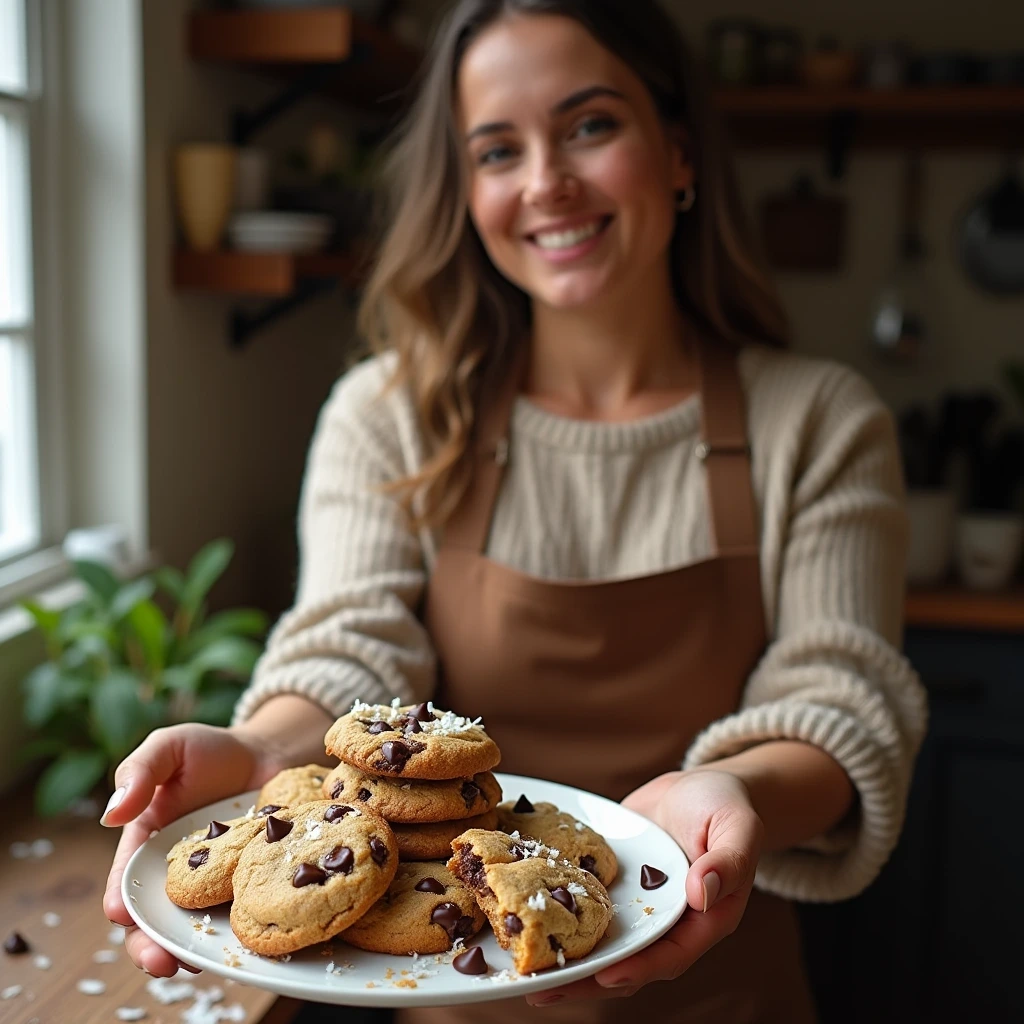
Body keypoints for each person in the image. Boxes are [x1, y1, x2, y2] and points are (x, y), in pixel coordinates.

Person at [102, 1, 928, 1020]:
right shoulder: (391, 414)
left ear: (676, 152)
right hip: (455, 994)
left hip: (727, 987)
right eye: (498, 149)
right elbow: (353, 642)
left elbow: (842, 696)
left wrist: (740, 795)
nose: (546, 182)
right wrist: (271, 749)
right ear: (464, 192)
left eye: (590, 125)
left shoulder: (818, 419)